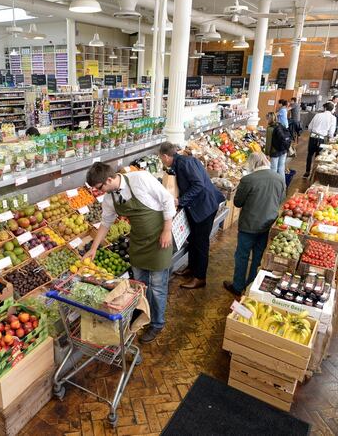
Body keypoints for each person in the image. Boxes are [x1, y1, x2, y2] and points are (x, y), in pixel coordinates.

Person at [84, 162, 176, 343]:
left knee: (157, 287)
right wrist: (93, 248)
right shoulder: (110, 198)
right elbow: (105, 223)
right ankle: (143, 315)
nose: (99, 191)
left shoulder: (140, 179)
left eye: (100, 187)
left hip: (159, 240)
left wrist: (167, 230)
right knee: (139, 285)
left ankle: (157, 323)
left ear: (108, 180)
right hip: (138, 244)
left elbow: (167, 200)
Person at [158, 143, 225, 289]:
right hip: (197, 206)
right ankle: (192, 268)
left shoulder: (185, 163)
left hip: (204, 207)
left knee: (201, 243)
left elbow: (198, 185)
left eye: (161, 158)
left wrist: (180, 201)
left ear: (165, 156)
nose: (162, 161)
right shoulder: (180, 163)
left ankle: (200, 277)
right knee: (193, 239)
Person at [223, 153, 286, 296]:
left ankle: (238, 286)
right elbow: (281, 199)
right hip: (268, 224)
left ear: (252, 164)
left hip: (249, 225)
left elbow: (238, 202)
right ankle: (251, 285)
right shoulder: (279, 178)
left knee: (242, 256)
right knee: (258, 257)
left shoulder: (248, 180)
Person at [303, 102, 337, 179]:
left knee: (310, 155)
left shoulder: (317, 115)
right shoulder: (333, 118)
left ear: (325, 108)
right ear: (332, 109)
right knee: (319, 157)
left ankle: (307, 172)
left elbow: (309, 127)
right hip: (322, 139)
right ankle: (315, 174)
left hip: (313, 137)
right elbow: (331, 133)